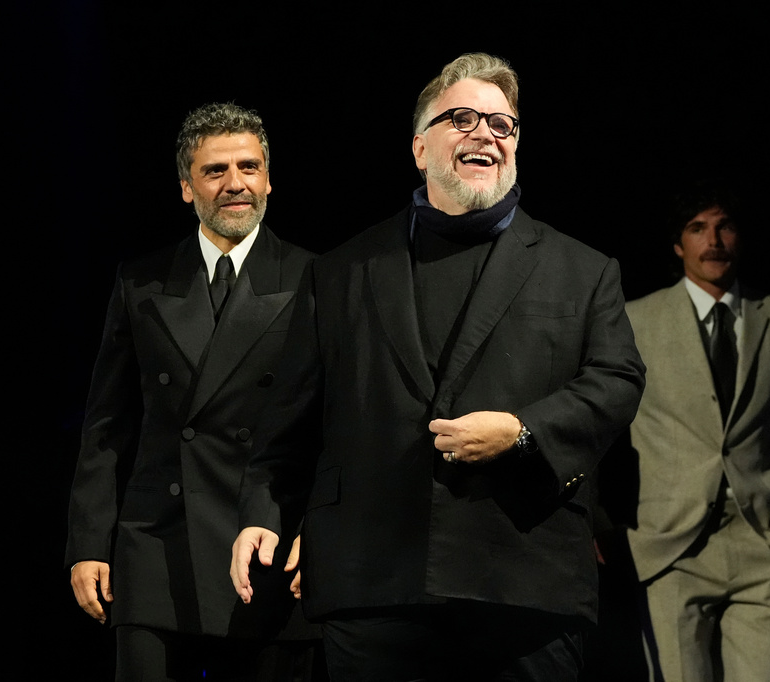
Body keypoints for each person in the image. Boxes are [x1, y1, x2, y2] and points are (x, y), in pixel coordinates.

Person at [229, 53, 646, 682]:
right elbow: (289, 421)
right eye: (463, 119)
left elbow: (618, 380)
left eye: (502, 125)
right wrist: (264, 514)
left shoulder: (582, 270)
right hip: (372, 584)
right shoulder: (340, 271)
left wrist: (523, 432)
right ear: (420, 148)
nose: (486, 134)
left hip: (522, 580)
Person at [66, 102, 314, 680]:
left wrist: (317, 531)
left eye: (249, 167)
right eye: (215, 171)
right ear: (186, 187)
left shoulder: (315, 278)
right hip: (157, 546)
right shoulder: (141, 282)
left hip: (269, 542)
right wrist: (89, 542)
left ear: (269, 179)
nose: (235, 184)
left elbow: (336, 424)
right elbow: (106, 425)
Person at [624, 182, 770, 681]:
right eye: (698, 228)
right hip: (671, 544)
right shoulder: (635, 321)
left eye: (725, 226)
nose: (713, 240)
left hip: (761, 540)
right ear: (678, 244)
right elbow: (602, 428)